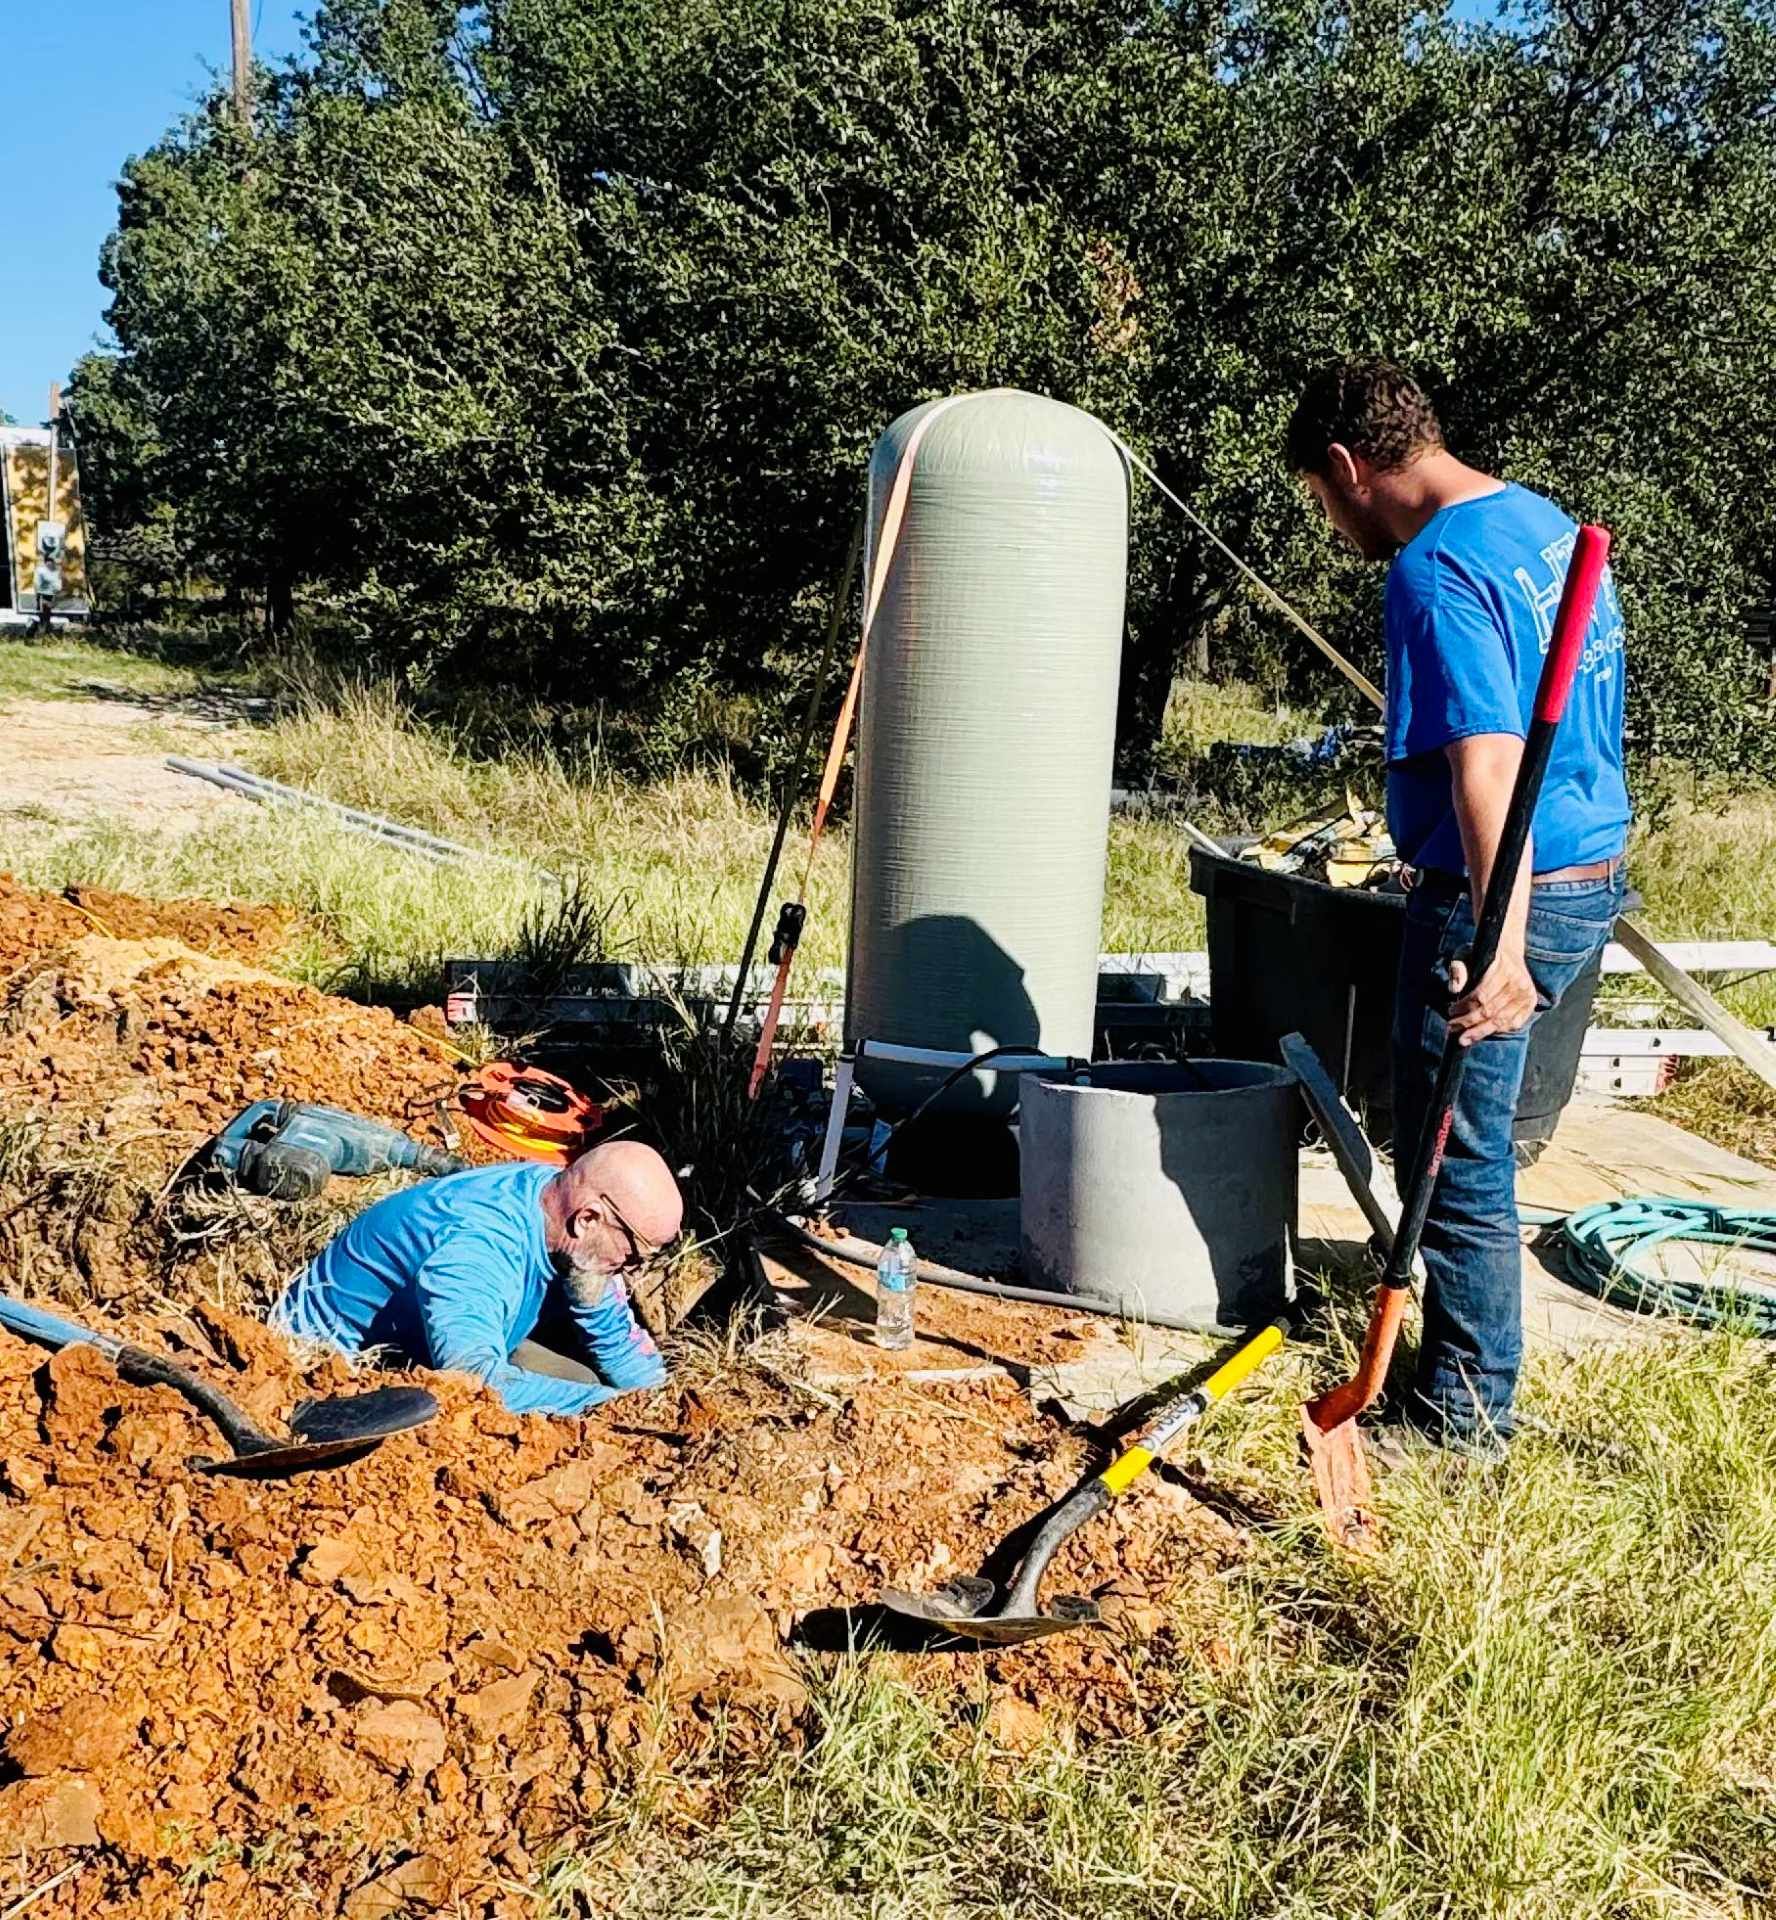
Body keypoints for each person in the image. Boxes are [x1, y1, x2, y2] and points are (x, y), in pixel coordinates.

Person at [1286, 359, 1629, 1453]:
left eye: (1320, 498)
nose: (1332, 524)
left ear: (1348, 469)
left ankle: (1464, 1423)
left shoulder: (1432, 573)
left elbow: (1489, 766)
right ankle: (1460, 1374)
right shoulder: (1535, 527)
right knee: (1477, 1144)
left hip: (1500, 897)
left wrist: (1502, 946)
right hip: (1588, 863)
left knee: (1458, 1160)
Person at [272, 1139, 682, 1416]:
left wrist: (660, 1400)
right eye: (631, 1256)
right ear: (587, 1218)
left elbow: (608, 1327)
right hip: (334, 1377)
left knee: (583, 1381)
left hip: (446, 1335)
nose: (633, 1270)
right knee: (576, 1405)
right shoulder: (478, 1249)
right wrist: (609, 1407)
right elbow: (473, 1384)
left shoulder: (557, 1196)